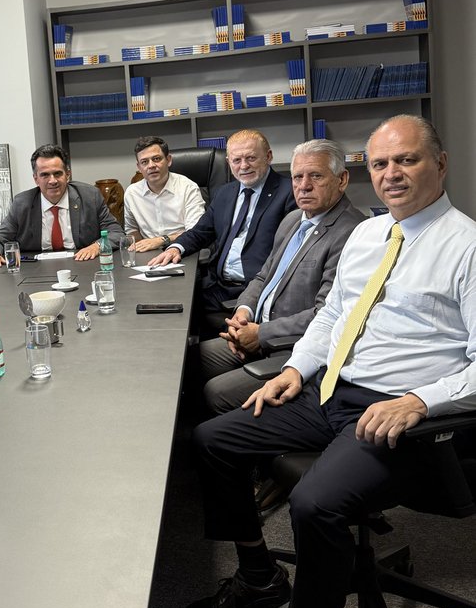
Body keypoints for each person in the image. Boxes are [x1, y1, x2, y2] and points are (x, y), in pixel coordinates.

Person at [186, 115, 476, 608]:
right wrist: (297, 368)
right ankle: (259, 578)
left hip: (392, 413)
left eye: (406, 159)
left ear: (440, 164)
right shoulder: (367, 233)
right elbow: (333, 316)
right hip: (331, 390)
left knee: (313, 503)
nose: (391, 173)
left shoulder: (467, 246)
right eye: (381, 162)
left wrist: (419, 400)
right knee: (211, 440)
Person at [200, 139, 364, 415]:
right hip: (256, 331)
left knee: (215, 392)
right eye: (298, 177)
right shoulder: (293, 220)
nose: (304, 185)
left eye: (316, 176)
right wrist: (243, 313)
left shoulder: (351, 232)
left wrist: (260, 334)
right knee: (187, 360)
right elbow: (264, 276)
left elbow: (328, 314)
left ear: (342, 179)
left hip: (292, 347)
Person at [148, 129, 296, 316]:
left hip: (258, 288)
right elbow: (200, 232)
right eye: (236, 160)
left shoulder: (289, 192)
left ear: (268, 156)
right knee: (167, 307)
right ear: (228, 163)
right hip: (218, 286)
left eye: (251, 158)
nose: (243, 166)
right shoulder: (225, 193)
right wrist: (176, 248)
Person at [0, 144, 125, 265]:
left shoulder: (89, 196)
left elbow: (117, 233)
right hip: (36, 271)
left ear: (68, 174)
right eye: (45, 175)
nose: (52, 181)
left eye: (57, 173)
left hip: (83, 265)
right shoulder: (22, 203)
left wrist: (97, 246)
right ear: (36, 179)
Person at [123, 136, 205, 252]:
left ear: (169, 160)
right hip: (149, 253)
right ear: (139, 167)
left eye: (156, 159)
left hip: (185, 249)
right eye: (144, 162)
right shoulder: (132, 193)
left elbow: (196, 231)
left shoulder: (188, 187)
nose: (151, 165)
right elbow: (132, 231)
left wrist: (161, 240)